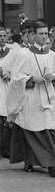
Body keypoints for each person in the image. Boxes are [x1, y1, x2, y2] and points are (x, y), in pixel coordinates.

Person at [6, 21, 55, 179]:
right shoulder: (24, 54)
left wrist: (54, 77)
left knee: (50, 131)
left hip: (49, 98)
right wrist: (32, 78)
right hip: (31, 99)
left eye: (46, 33)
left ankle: (52, 162)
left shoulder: (52, 55)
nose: (44, 37)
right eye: (41, 34)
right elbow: (16, 78)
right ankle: (49, 165)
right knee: (34, 132)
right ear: (33, 35)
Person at [0, 27, 16, 158]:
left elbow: (18, 70)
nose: (2, 38)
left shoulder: (12, 53)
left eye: (4, 36)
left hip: (6, 87)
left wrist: (9, 74)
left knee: (6, 117)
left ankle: (6, 149)